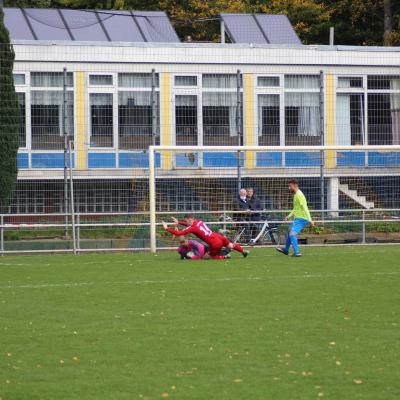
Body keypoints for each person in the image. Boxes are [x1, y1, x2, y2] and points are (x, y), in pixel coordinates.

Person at [163, 214, 249, 260]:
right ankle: (243, 251)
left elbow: (179, 233)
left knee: (206, 257)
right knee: (230, 245)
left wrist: (167, 228)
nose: (185, 222)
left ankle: (224, 257)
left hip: (214, 243)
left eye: (186, 221)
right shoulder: (198, 221)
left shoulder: (193, 228)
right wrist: (179, 222)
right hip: (218, 236)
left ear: (190, 220)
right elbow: (187, 224)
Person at [276, 179, 314, 257]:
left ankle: (297, 252)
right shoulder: (296, 194)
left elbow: (305, 207)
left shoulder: (299, 195)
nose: (289, 188)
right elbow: (296, 208)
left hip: (302, 218)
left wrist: (310, 219)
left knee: (292, 233)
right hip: (299, 218)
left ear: (295, 185)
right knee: (290, 231)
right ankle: (286, 249)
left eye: (290, 186)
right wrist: (289, 216)